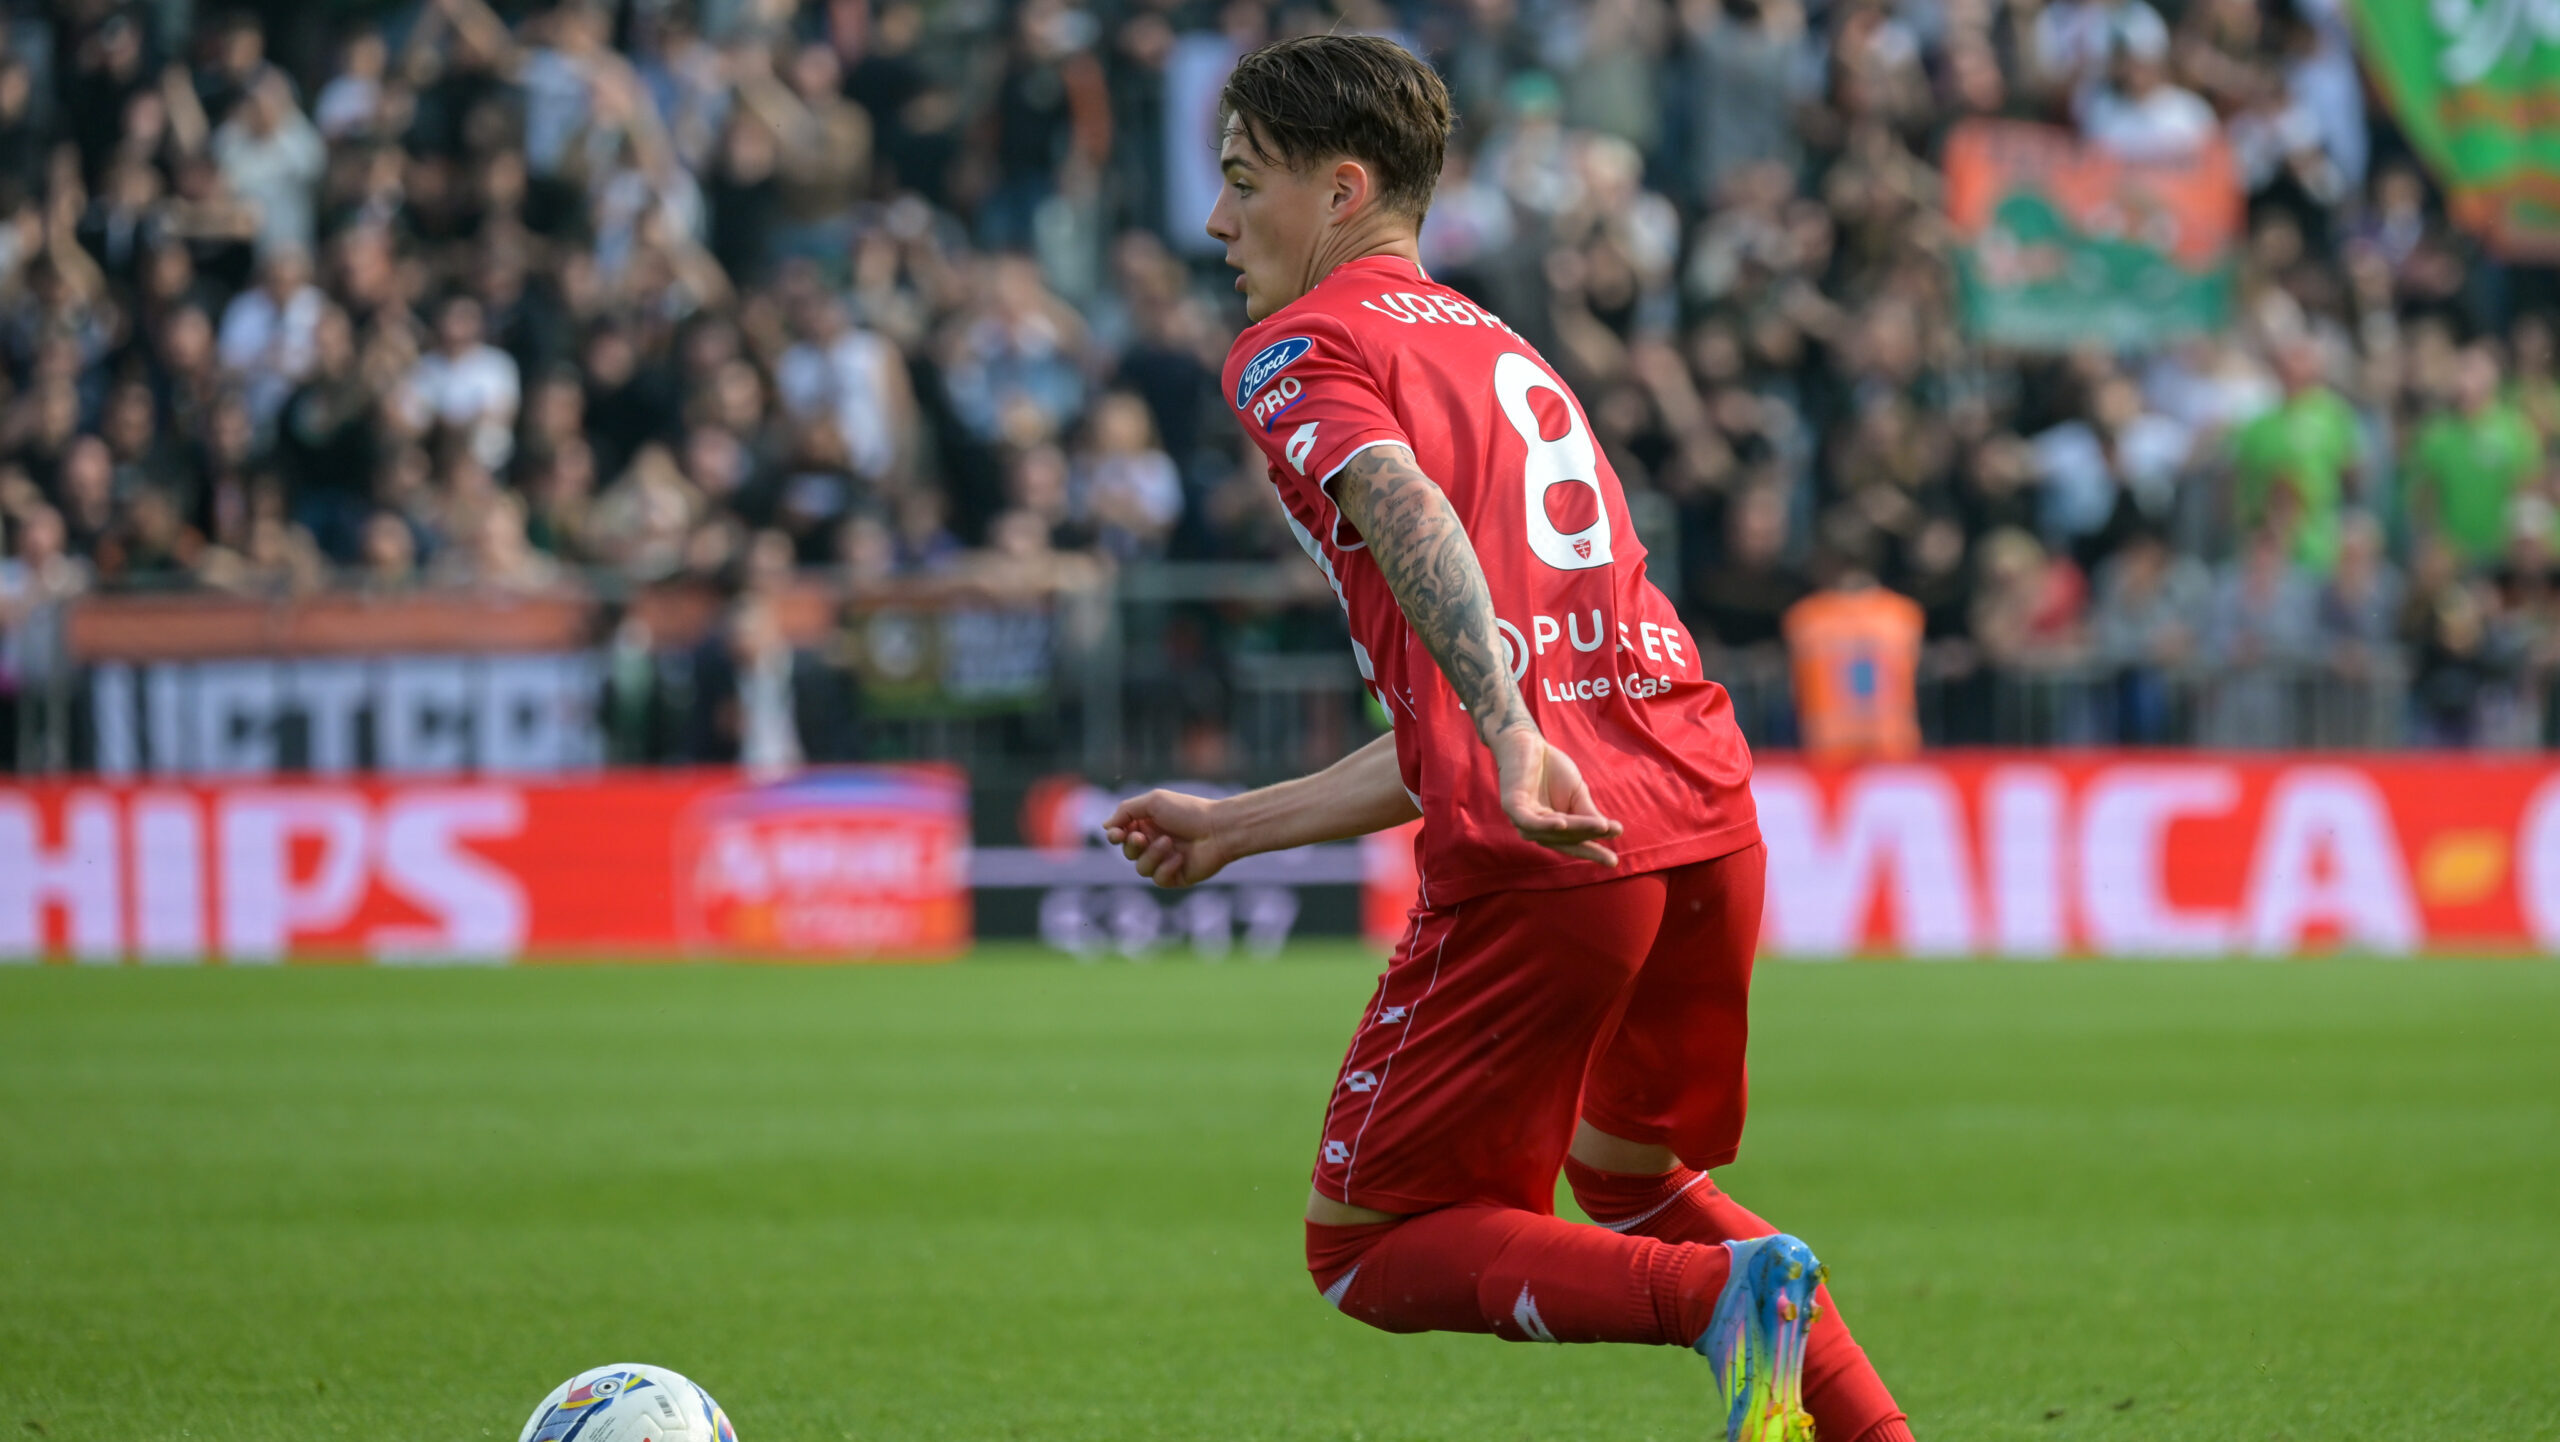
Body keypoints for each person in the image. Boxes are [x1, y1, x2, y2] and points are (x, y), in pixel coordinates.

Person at [1102, 37, 1907, 1442]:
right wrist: (1235, 825)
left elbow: (1400, 506)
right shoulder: (1495, 343)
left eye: (1241, 180)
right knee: (1634, 1179)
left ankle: (1715, 1297)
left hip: (1560, 849)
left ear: (1341, 189)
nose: (1218, 221)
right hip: (1701, 819)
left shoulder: (1302, 345)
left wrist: (1507, 727)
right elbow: (1482, 696)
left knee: (1367, 1241)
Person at [1783, 556, 1926, 761]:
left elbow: (1793, 685)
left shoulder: (1805, 617)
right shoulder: (1903, 613)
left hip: (1828, 745)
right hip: (1891, 741)